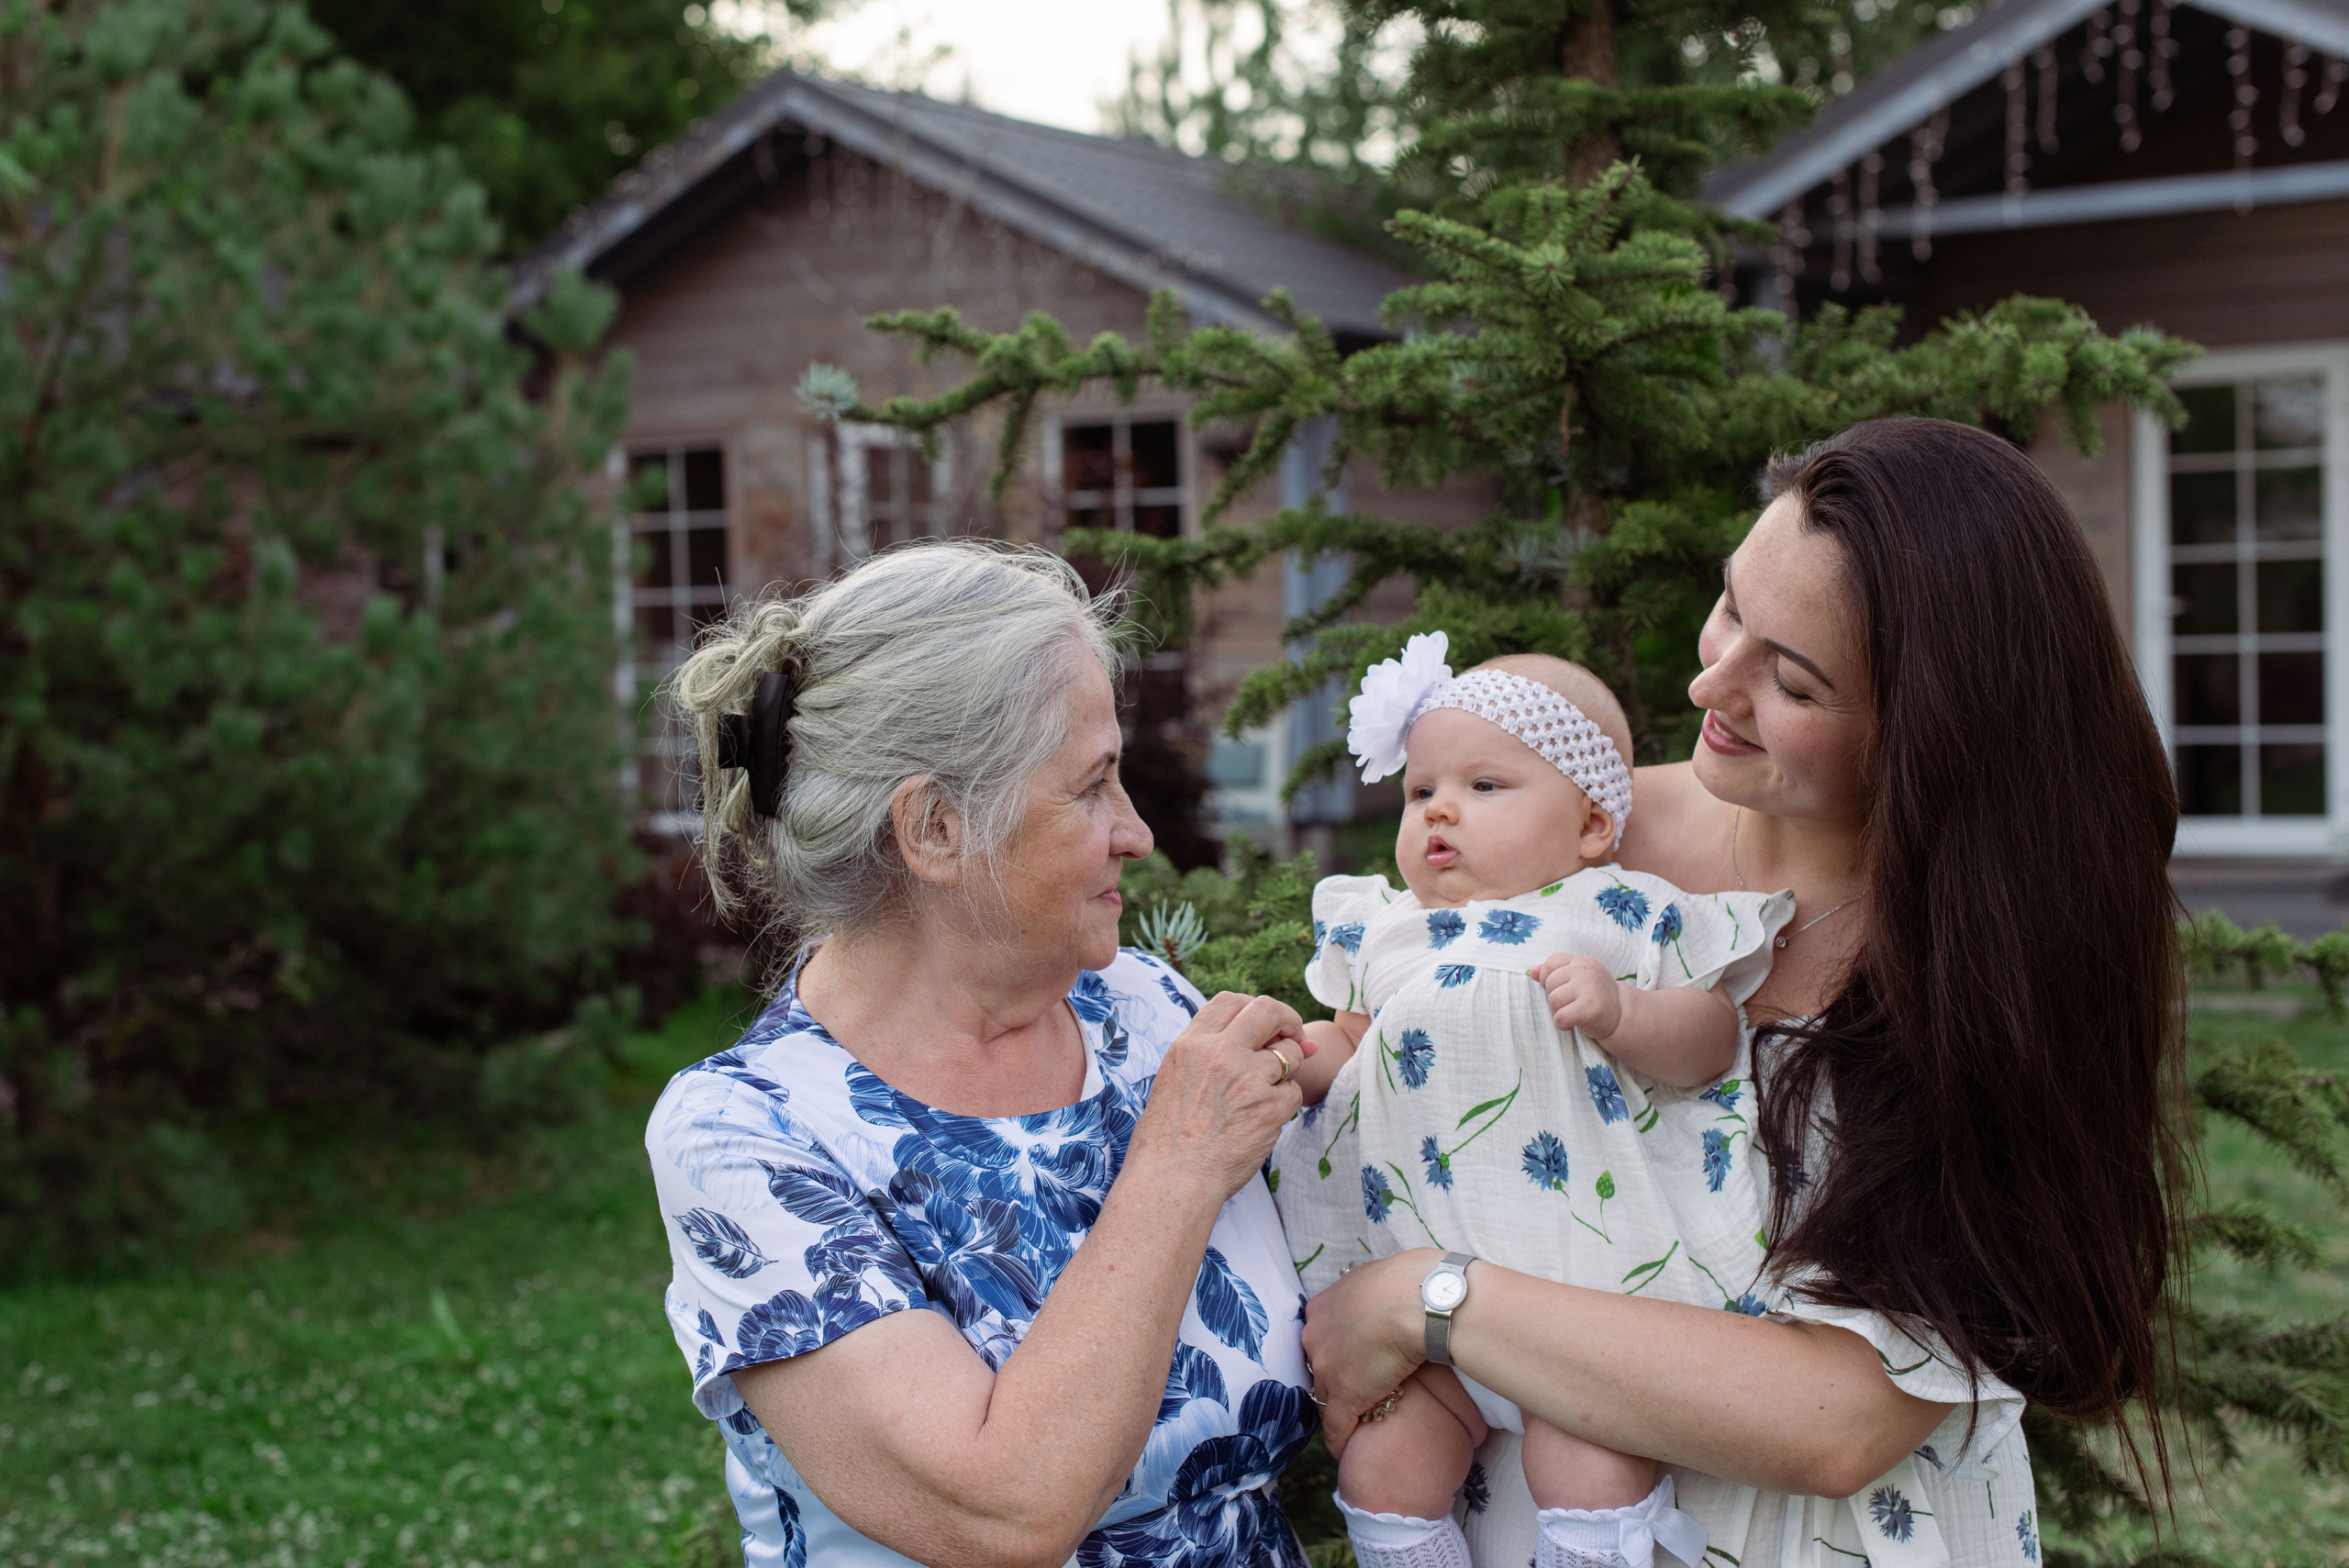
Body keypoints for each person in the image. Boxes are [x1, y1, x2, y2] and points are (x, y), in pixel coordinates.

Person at [1297, 417, 2186, 1568]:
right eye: (1730, 606)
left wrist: (1430, 1297)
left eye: (1793, 679)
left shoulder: (1988, 967)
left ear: (1927, 735)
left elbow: (1845, 1417)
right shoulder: (1561, 841)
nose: (1710, 679)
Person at [645, 541, 1320, 1568]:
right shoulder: (746, 1134)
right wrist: (1178, 1160)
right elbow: (1002, 1509)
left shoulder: (1143, 1010)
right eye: (1091, 785)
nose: (1135, 831)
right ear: (937, 828)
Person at [1270, 641, 1793, 1568]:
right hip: (1430, 1337)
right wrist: (1290, 1059)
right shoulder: (1392, 930)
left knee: (1588, 1472)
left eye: (1482, 783)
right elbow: (1351, 1042)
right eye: (1419, 786)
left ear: (1592, 824)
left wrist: (1627, 1011)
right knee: (1387, 1468)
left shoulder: (1618, 911)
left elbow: (1713, 1038)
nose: (1436, 806)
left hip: (1579, 1313)